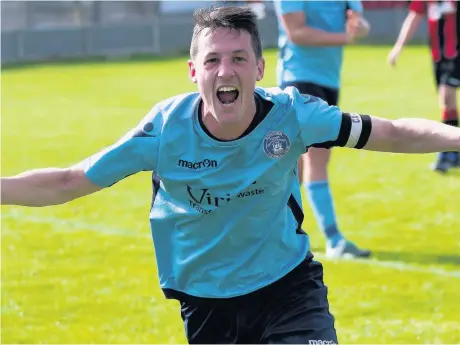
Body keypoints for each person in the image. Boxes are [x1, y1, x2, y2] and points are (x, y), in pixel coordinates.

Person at [2, 6, 459, 344]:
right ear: (193, 71)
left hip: (289, 288)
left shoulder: (294, 115)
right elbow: (68, 181)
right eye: (214, 60)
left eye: (240, 58)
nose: (227, 70)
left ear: (260, 68)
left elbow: (395, 133)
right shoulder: (163, 131)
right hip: (206, 303)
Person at [273, 0, 372, 258]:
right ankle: (334, 239)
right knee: (317, 157)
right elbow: (297, 33)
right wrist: (346, 36)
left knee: (299, 163)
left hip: (329, 79)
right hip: (299, 78)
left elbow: (359, 23)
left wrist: (359, 28)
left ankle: (274, 232)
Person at [388, 0, 460, 172]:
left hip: (456, 53)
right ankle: (453, 151)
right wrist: (399, 46)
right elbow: (414, 16)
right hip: (439, 55)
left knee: (447, 94)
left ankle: (449, 150)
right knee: (446, 102)